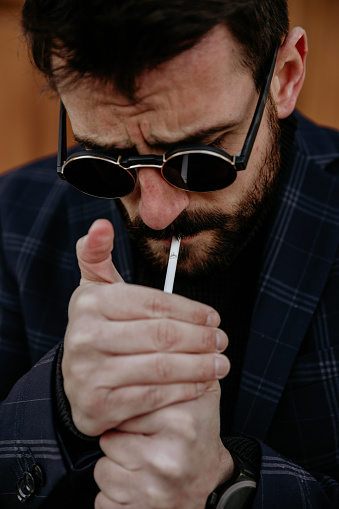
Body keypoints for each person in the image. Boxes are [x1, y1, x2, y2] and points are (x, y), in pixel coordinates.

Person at [0, 0, 338, 507]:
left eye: (200, 157)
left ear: (286, 76)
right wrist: (57, 405)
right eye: (106, 161)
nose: (155, 214)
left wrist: (232, 488)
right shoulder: (12, 220)